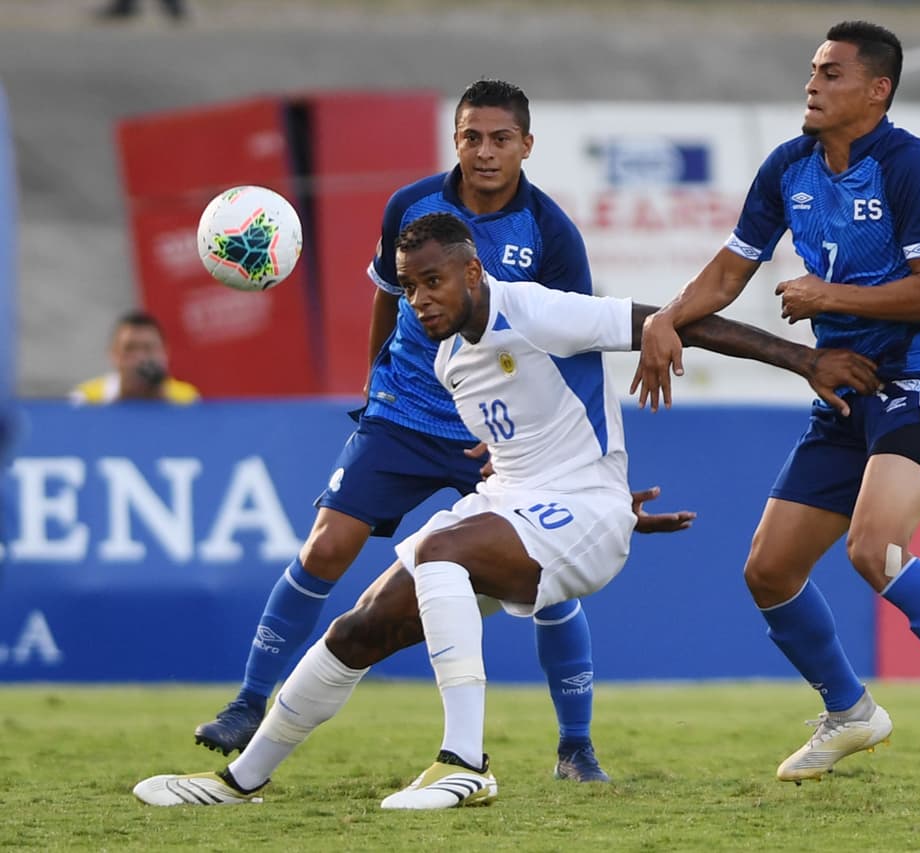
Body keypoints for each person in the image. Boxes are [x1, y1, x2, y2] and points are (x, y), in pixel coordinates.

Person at [131, 211, 882, 809]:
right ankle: (240, 781)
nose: (419, 299)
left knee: (438, 552)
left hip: (583, 512)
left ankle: (464, 762)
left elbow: (675, 322)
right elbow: (527, 442)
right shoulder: (450, 355)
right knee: (359, 626)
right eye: (407, 286)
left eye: (432, 282)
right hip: (522, 505)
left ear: (472, 271)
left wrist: (805, 361)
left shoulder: (538, 312)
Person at [632, 20, 920, 796]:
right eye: (813, 72)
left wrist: (829, 295)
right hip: (845, 390)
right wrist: (664, 316)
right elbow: (726, 273)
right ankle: (849, 710)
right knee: (769, 568)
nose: (813, 85)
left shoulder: (910, 166)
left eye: (832, 74)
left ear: (876, 90)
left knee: (873, 547)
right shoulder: (788, 166)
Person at [192, 80, 619, 783]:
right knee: (328, 543)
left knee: (548, 584)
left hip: (498, 429)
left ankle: (576, 745)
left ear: (526, 146)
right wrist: (373, 385)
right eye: (471, 136)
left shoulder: (551, 231)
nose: (484, 151)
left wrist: (539, 434)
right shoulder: (411, 205)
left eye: (500, 139)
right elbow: (388, 299)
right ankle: (247, 701)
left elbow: (570, 339)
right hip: (405, 410)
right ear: (454, 139)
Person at [70, 311, 200, 405]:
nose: (140, 358)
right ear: (113, 354)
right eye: (129, 348)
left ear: (165, 353)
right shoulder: (86, 400)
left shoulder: (185, 399)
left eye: (148, 348)